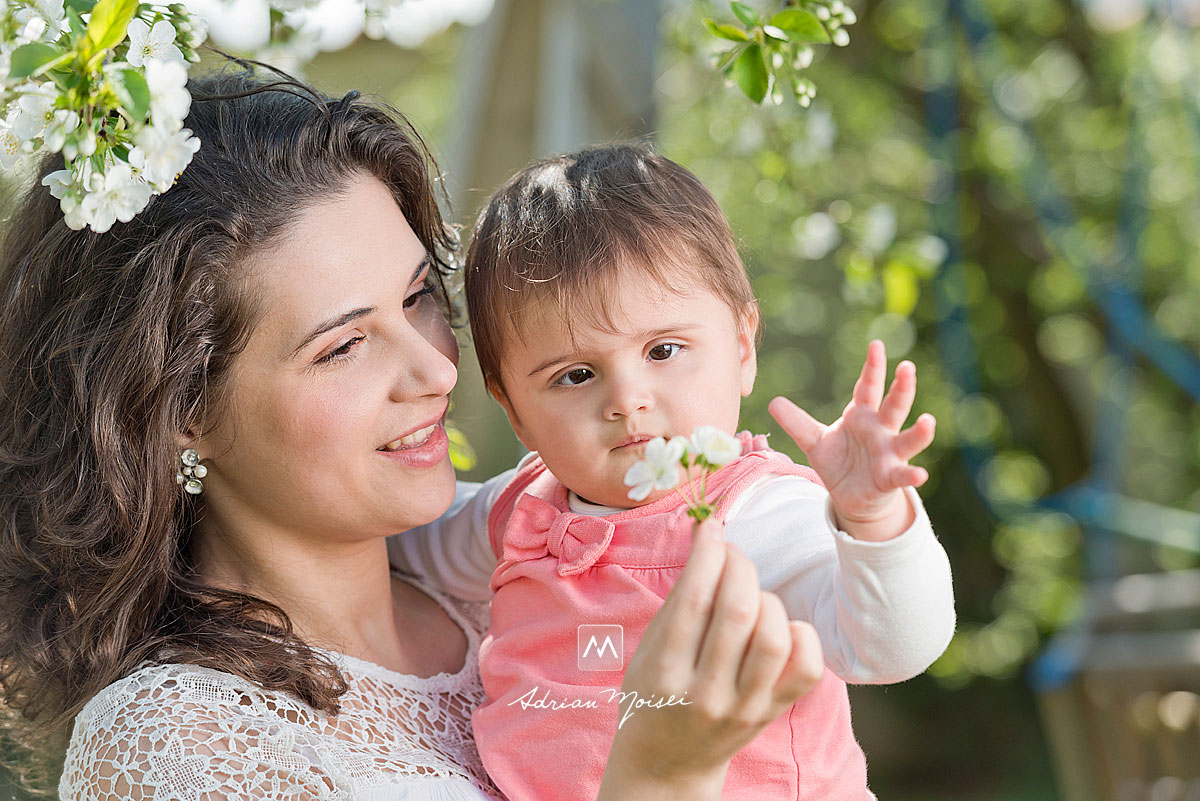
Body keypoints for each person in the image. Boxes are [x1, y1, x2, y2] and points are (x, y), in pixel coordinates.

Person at [0, 70, 827, 801]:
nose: (435, 369)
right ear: (180, 409)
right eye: (344, 345)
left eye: (419, 295)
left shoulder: (519, 565)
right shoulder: (179, 747)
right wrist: (663, 777)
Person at [389, 145, 957, 801]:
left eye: (663, 349)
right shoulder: (521, 511)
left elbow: (891, 647)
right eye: (576, 374)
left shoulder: (754, 516)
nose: (626, 398)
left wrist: (874, 521)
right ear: (513, 410)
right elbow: (400, 542)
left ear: (741, 349)